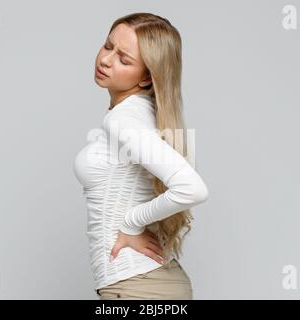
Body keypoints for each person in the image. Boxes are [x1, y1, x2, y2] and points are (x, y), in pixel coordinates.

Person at [73, 12, 209, 300]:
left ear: (147, 77)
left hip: (137, 287)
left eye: (124, 59)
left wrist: (131, 223)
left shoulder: (123, 119)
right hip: (149, 282)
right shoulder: (143, 112)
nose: (106, 60)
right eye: (108, 46)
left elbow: (192, 188)